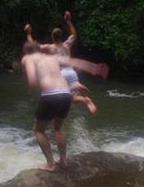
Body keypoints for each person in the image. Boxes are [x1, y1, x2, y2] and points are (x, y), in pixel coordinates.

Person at [21, 41, 105, 172]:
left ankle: (50, 164)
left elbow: (32, 80)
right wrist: (94, 68)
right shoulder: (51, 57)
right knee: (58, 128)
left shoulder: (28, 58)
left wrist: (34, 86)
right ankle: (63, 161)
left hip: (50, 95)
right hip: (66, 94)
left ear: (26, 52)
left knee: (38, 130)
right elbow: (74, 62)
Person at [24, 11, 108, 115]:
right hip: (72, 73)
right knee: (75, 97)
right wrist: (69, 21)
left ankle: (79, 94)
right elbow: (74, 34)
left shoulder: (49, 48)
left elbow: (33, 47)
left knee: (68, 97)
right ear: (61, 36)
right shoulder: (67, 45)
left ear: (52, 37)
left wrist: (28, 33)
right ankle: (82, 93)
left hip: (62, 75)